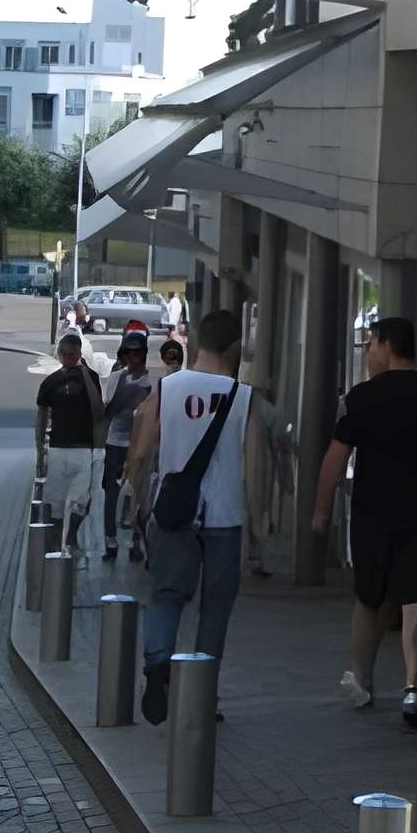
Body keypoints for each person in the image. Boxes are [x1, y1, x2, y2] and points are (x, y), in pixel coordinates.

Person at [312, 315, 417, 731]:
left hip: (372, 515)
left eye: (370, 345)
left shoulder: (362, 398)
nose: (368, 354)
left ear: (386, 345)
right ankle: (411, 685)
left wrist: (321, 513)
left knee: (369, 597)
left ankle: (361, 680)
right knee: (416, 598)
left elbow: (335, 459)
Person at [126, 304, 253, 725]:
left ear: (198, 342)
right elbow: (254, 467)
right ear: (235, 347)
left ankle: (157, 665)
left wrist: (140, 506)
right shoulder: (243, 396)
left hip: (173, 514)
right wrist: (260, 525)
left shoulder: (168, 388)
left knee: (166, 595)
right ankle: (203, 697)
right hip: (224, 518)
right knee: (215, 610)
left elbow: (141, 452)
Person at [35, 333, 105, 556]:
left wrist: (83, 371)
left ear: (78, 354)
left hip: (80, 449)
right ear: (60, 354)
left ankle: (70, 538)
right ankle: (58, 542)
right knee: (57, 501)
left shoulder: (89, 377)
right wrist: (40, 452)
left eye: (72, 354)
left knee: (79, 500)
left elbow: (97, 409)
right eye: (65, 354)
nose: (68, 358)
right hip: (61, 448)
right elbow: (41, 417)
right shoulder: (51, 381)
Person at [98, 331, 154, 565]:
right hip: (115, 443)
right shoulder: (116, 378)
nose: (133, 359)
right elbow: (107, 408)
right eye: (128, 354)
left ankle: (135, 542)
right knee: (111, 493)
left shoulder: (150, 384)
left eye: (137, 354)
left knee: (138, 494)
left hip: (138, 445)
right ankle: (110, 541)